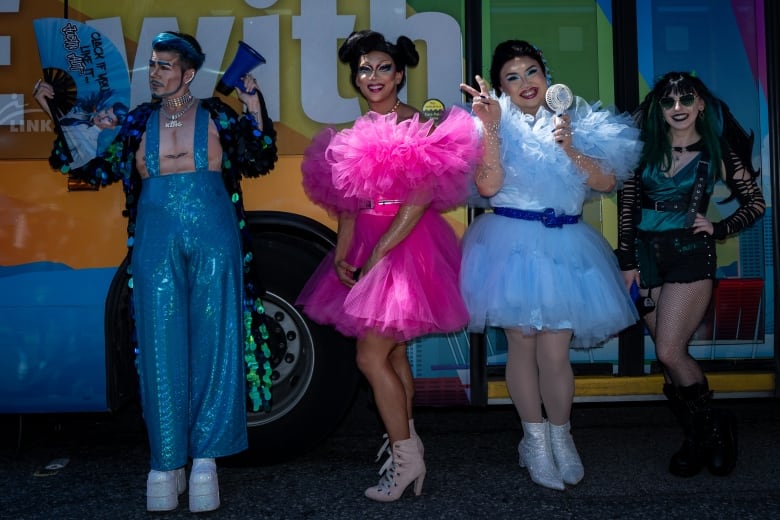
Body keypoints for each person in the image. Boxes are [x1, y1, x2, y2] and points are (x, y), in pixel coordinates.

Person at [35, 31, 278, 512]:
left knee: (215, 340)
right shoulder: (135, 121)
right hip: (155, 231)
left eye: (165, 65)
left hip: (213, 228)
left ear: (189, 73)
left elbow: (259, 158)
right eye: (152, 64)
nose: (155, 72)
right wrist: (54, 113)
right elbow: (91, 167)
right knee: (160, 343)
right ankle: (165, 465)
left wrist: (253, 104)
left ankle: (205, 461)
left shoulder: (217, 114)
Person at [295, 30, 480, 502]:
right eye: (363, 69)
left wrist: (380, 255)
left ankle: (406, 458)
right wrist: (342, 252)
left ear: (399, 74)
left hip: (407, 247)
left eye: (382, 67)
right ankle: (407, 443)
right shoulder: (353, 132)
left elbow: (419, 200)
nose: (372, 76)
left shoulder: (418, 123)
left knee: (369, 357)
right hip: (368, 245)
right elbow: (350, 204)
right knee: (392, 354)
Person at [459, 40, 642, 491]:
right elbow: (488, 187)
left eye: (531, 71)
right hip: (510, 246)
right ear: (500, 87)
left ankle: (562, 437)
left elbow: (606, 181)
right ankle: (534, 441)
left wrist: (570, 147)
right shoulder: (487, 126)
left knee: (555, 352)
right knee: (522, 345)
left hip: (566, 246)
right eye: (512, 77)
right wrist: (492, 131)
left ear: (547, 75)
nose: (525, 83)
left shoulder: (577, 122)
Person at [616, 71, 765, 478]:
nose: (677, 107)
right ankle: (702, 435)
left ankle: (711, 430)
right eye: (669, 101)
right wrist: (627, 263)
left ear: (701, 104)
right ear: (660, 109)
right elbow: (628, 210)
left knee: (669, 351)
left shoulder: (717, 151)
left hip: (689, 256)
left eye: (686, 99)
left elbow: (756, 203)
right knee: (670, 358)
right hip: (645, 257)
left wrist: (718, 228)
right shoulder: (641, 150)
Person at [33, 83, 129, 168]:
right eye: (106, 111)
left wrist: (44, 103)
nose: (102, 117)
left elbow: (66, 132)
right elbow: (61, 115)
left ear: (113, 127)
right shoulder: (84, 112)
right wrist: (51, 93)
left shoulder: (90, 147)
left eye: (109, 119)